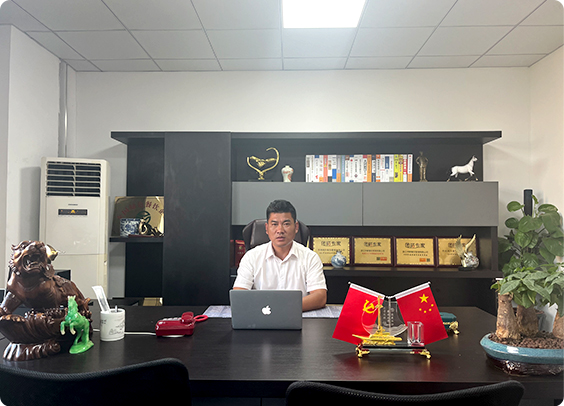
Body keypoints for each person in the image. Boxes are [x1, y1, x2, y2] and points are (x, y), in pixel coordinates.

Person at [233, 200, 327, 311]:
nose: (280, 230)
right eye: (274, 224)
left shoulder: (310, 257)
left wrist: (281, 309)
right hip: (261, 317)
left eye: (286, 224)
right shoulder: (251, 257)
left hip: (298, 317)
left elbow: (320, 297)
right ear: (267, 228)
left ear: (296, 227)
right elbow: (239, 294)